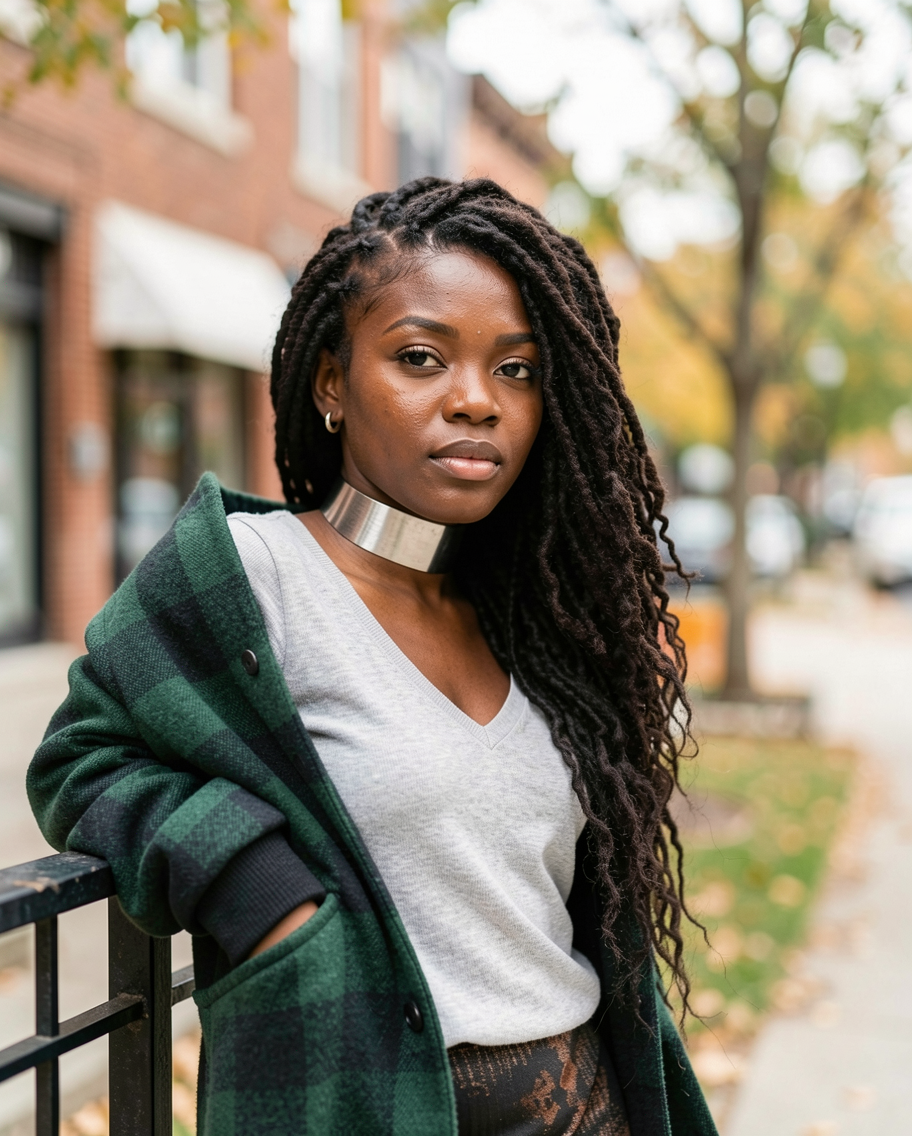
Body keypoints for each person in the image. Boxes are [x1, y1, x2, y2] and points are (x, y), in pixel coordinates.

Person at [28, 178, 717, 1136]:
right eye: (421, 357)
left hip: (585, 1101)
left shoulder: (525, 613)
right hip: (359, 1104)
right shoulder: (254, 578)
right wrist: (260, 889)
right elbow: (82, 758)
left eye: (516, 371)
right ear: (331, 384)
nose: (476, 401)